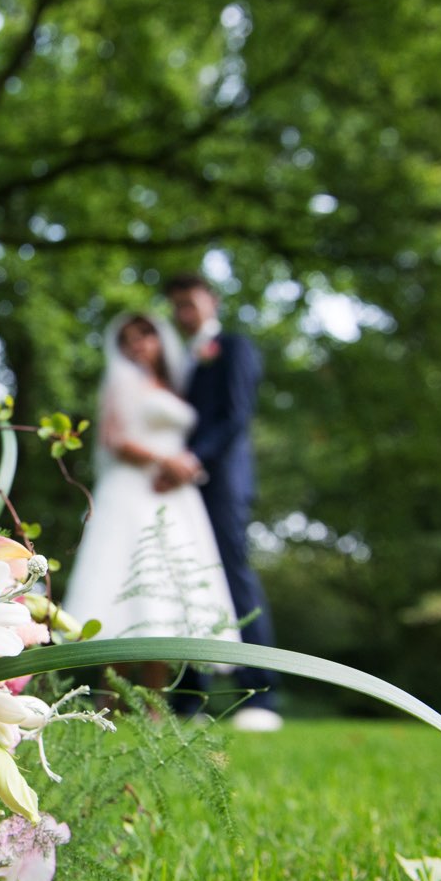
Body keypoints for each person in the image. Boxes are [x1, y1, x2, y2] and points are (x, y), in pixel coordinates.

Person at [63, 313, 240, 695]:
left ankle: (154, 705)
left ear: (159, 338)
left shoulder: (175, 386)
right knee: (121, 584)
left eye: (144, 334)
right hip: (132, 490)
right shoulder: (122, 380)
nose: (138, 344)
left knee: (165, 588)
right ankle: (111, 698)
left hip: (175, 496)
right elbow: (115, 438)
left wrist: (180, 467)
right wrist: (166, 461)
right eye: (128, 339)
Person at [155, 272, 284, 732]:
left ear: (212, 302)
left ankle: (262, 694)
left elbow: (235, 415)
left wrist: (193, 458)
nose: (182, 313)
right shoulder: (175, 360)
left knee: (234, 578)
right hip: (179, 489)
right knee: (184, 582)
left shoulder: (233, 347)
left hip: (221, 482)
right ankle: (190, 697)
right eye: (175, 305)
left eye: (189, 303)